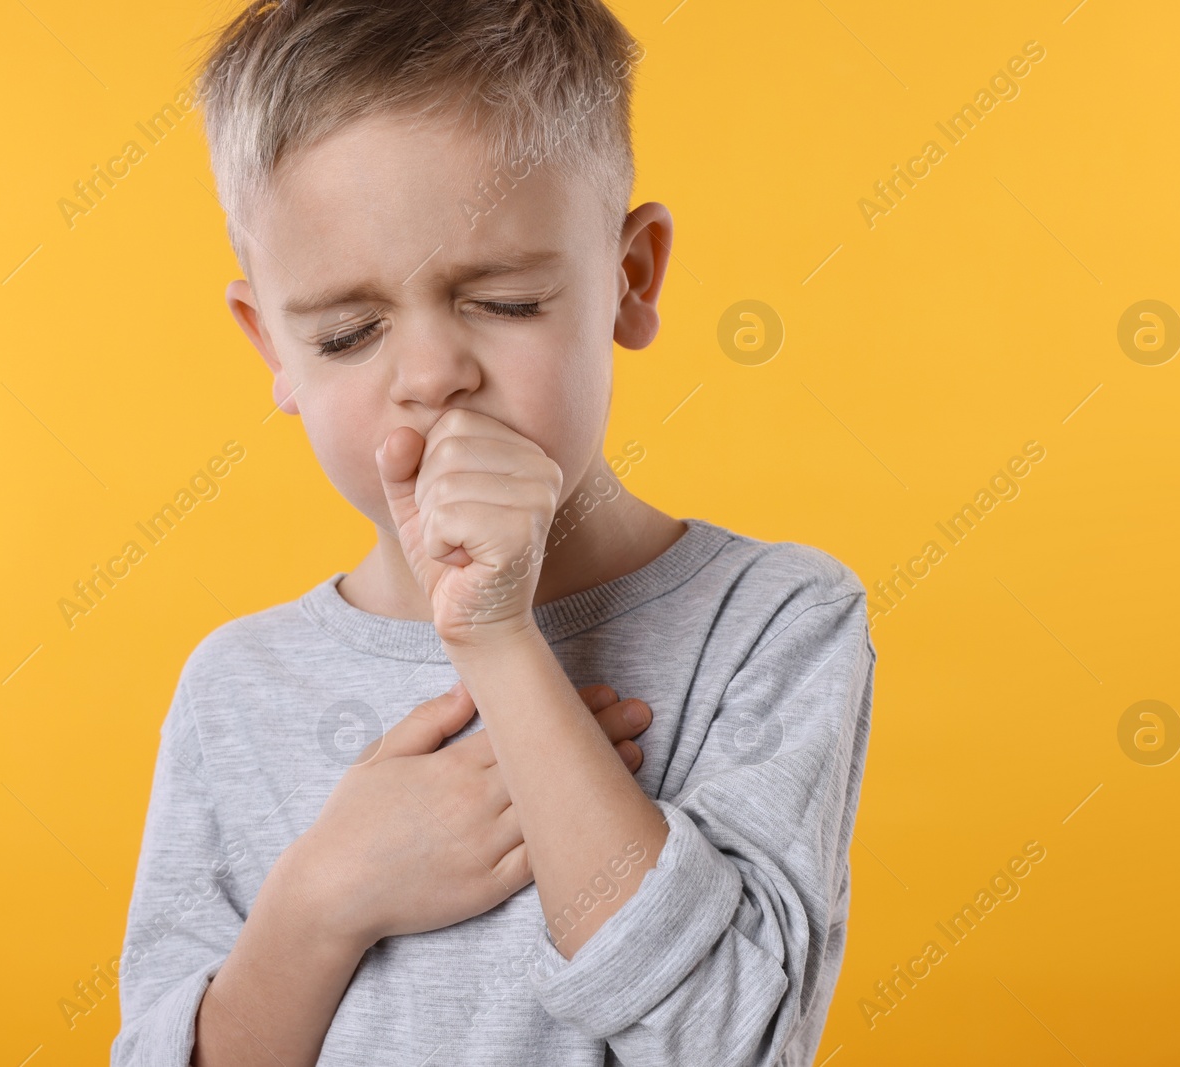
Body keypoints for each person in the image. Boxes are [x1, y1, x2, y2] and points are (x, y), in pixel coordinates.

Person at [111, 2, 876, 1064]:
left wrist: (501, 644)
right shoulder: (236, 688)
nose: (430, 376)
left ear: (631, 276)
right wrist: (325, 895)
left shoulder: (773, 621)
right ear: (271, 347)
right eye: (347, 332)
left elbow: (730, 1040)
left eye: (505, 302)